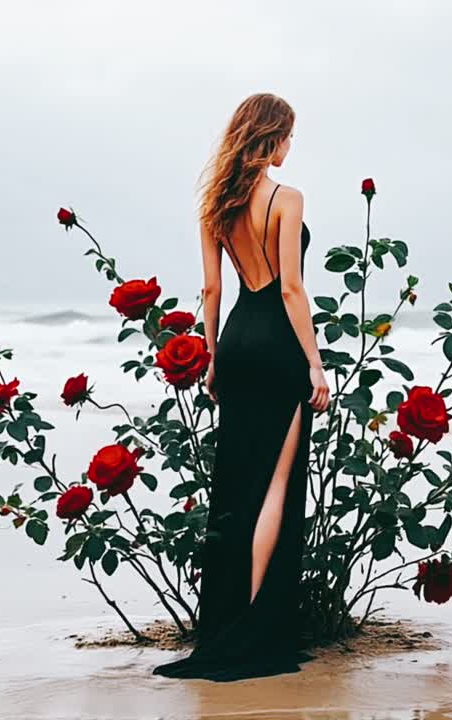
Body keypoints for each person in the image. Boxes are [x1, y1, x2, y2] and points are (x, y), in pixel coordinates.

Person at [152, 92, 330, 681]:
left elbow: (209, 291)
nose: (289, 146)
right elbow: (290, 290)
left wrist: (207, 359)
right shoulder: (286, 198)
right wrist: (315, 364)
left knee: (236, 489)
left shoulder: (215, 205)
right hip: (278, 345)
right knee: (275, 485)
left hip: (234, 345)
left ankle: (227, 625)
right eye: (288, 135)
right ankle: (256, 631)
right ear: (271, 136)